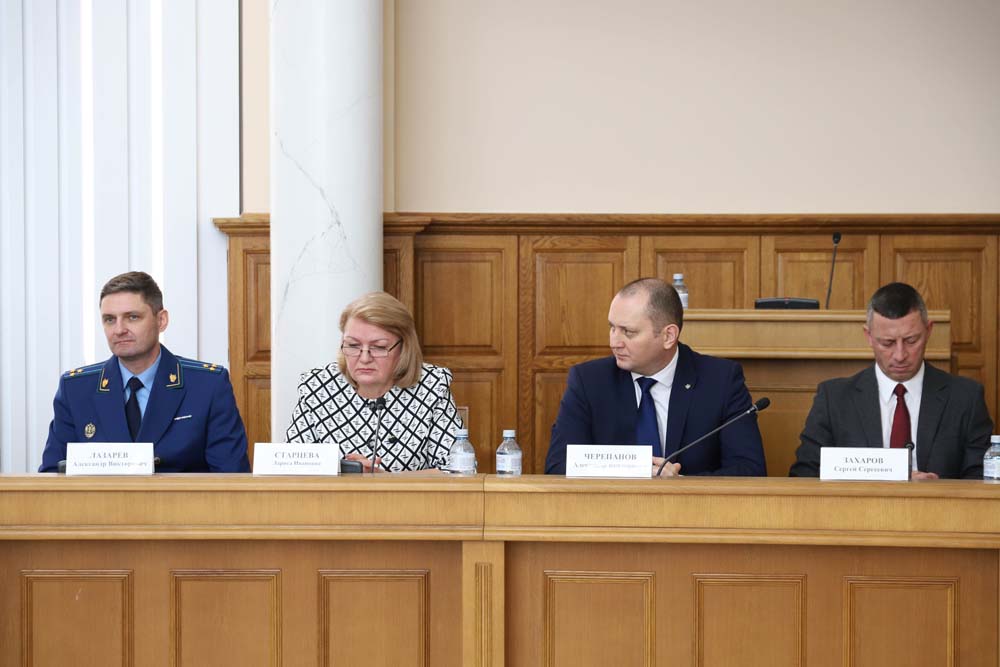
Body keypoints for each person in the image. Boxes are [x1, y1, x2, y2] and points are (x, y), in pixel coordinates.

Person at [545, 277, 767, 476]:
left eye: (628, 332)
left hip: (690, 508)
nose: (614, 342)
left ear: (668, 336)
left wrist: (680, 486)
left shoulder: (720, 380)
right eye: (612, 328)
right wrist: (633, 471)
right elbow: (558, 466)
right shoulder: (589, 381)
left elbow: (750, 469)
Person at [40, 271, 250, 472]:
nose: (119, 329)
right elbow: (52, 478)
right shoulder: (76, 389)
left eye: (132, 317)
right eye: (110, 319)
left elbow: (232, 480)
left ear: (161, 320)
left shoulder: (208, 386)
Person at [789, 282, 993, 479]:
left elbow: (983, 480)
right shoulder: (834, 399)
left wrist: (935, 490)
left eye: (911, 341)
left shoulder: (966, 398)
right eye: (887, 343)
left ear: (929, 331)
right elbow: (805, 476)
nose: (900, 355)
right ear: (869, 336)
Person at [285, 291, 463, 472]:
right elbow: (290, 467)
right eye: (353, 345)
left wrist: (387, 480)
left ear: (404, 347)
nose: (364, 358)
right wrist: (345, 473)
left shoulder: (431, 385)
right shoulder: (318, 387)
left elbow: (457, 469)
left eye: (378, 347)